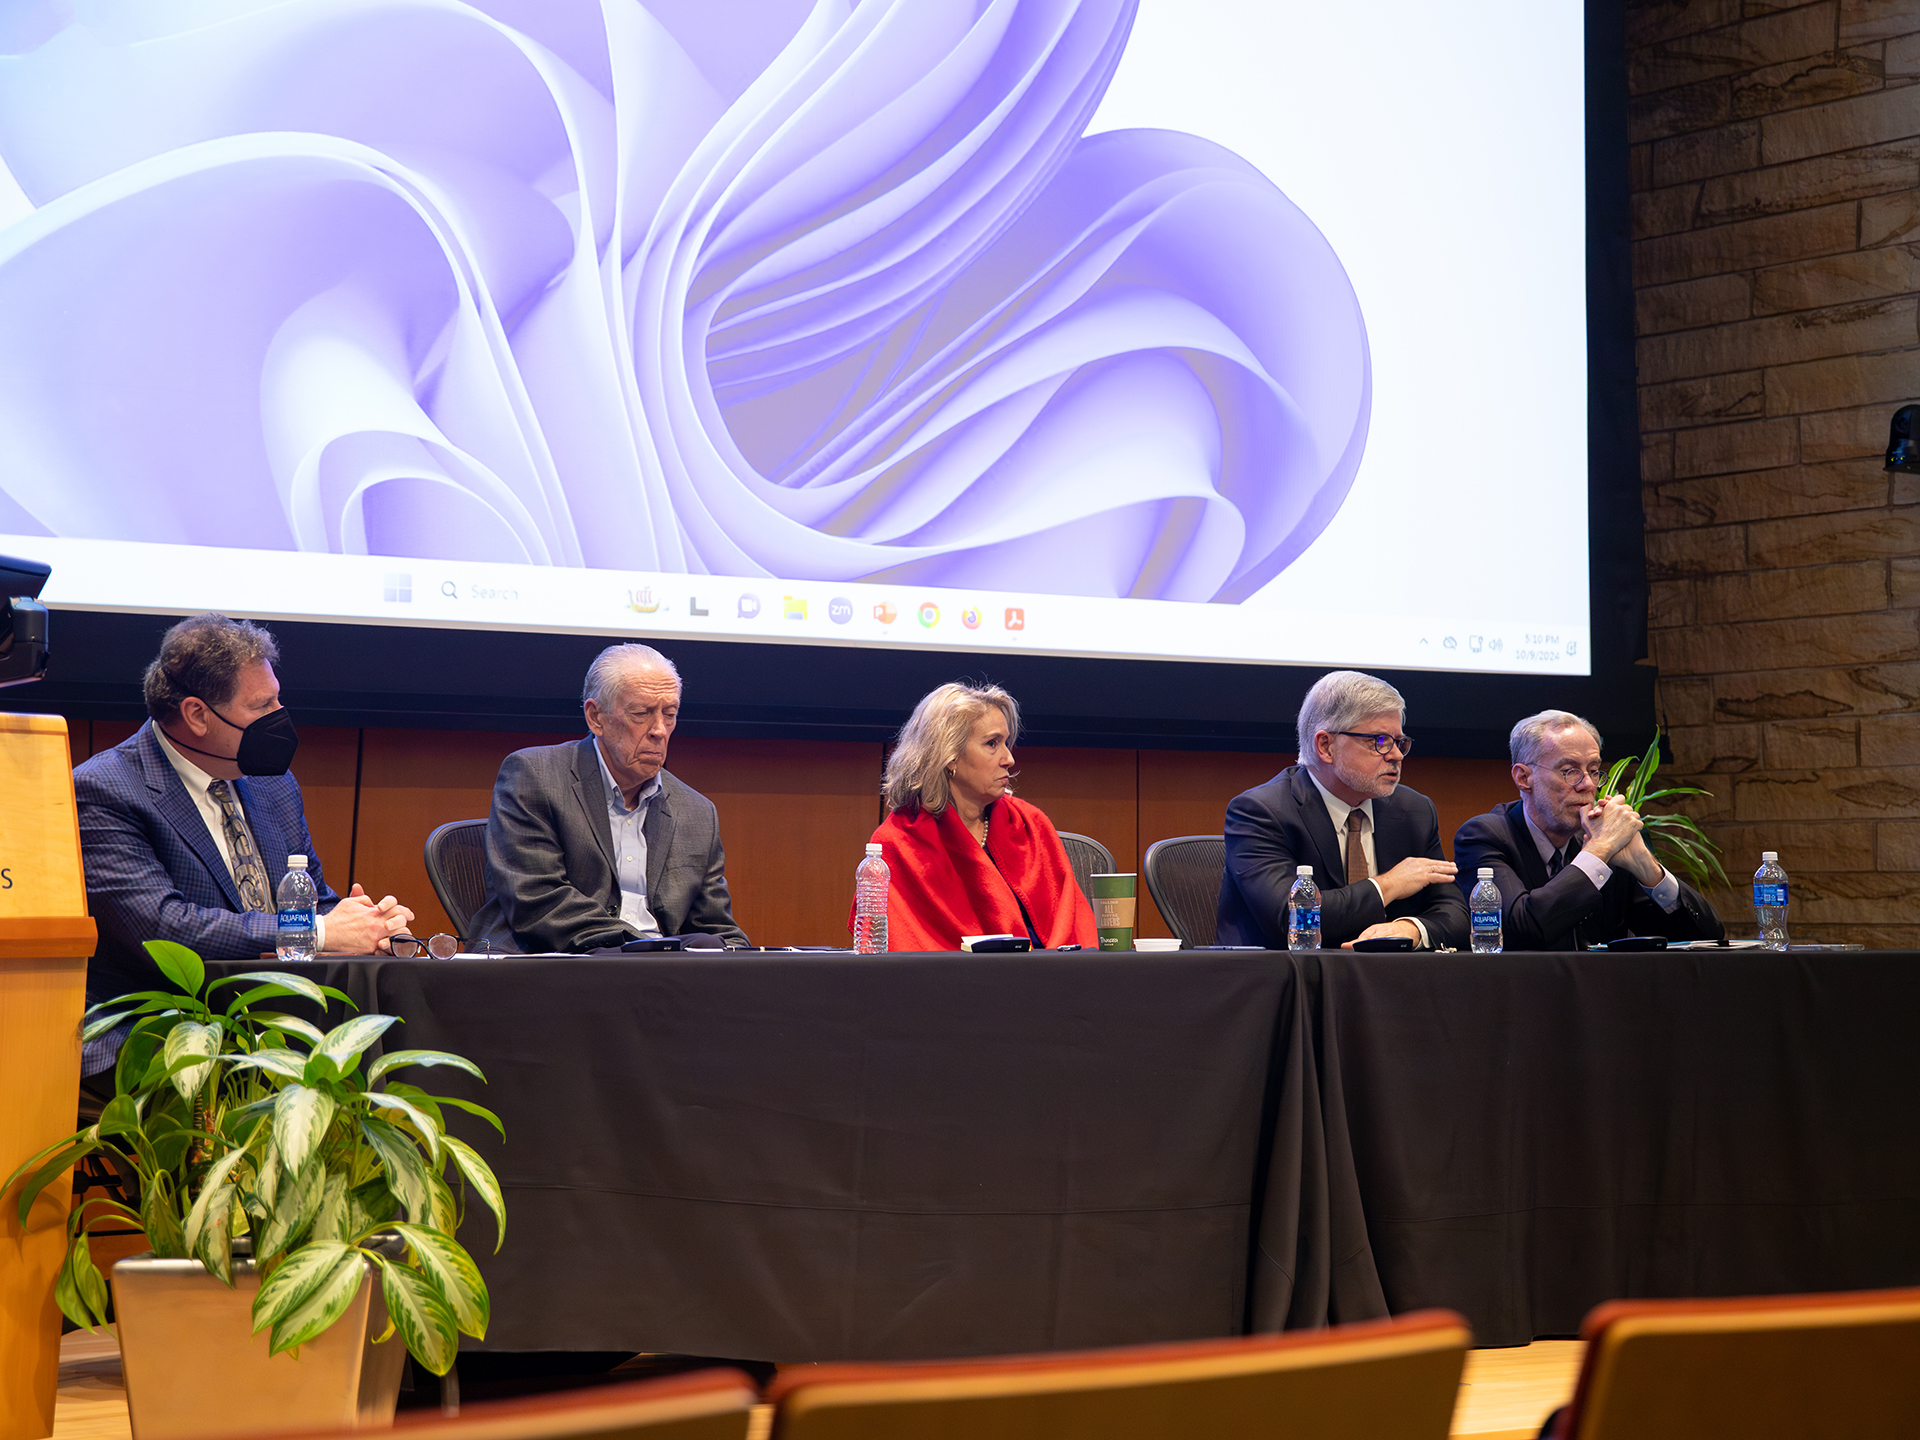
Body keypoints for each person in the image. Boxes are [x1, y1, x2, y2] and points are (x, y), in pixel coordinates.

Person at [75, 614, 414, 1073]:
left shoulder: (272, 784)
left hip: (278, 1018)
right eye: (262, 705)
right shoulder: (106, 789)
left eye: (278, 699)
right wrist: (320, 933)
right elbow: (164, 930)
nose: (280, 717)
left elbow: (313, 899)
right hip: (161, 1032)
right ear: (197, 715)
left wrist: (366, 925)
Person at [470, 643, 747, 952]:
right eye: (641, 713)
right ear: (596, 717)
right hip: (559, 960)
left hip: (663, 973)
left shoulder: (696, 812)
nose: (660, 731)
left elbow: (717, 928)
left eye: (669, 715)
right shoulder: (534, 775)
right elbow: (538, 902)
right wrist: (644, 947)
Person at [1216, 670, 1467, 950]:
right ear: (1326, 746)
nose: (1396, 754)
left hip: (1389, 983)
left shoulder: (1414, 811)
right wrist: (1387, 885)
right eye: (1379, 741)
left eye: (1399, 742)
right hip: (1289, 982)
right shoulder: (1262, 812)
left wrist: (1412, 928)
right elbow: (1291, 917)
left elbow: (1457, 912)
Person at [1452, 710, 1724, 951]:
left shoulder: (1609, 839)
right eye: (1569, 771)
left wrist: (1648, 869)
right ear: (1524, 778)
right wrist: (1597, 852)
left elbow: (1705, 938)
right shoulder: (1485, 837)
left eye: (1593, 770)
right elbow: (1524, 929)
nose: (1587, 785)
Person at [866, 682, 1097, 951]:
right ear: (949, 756)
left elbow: (1075, 930)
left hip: (1052, 982)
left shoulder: (1031, 824)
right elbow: (900, 956)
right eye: (992, 743)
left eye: (1006, 743)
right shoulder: (899, 842)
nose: (1009, 758)